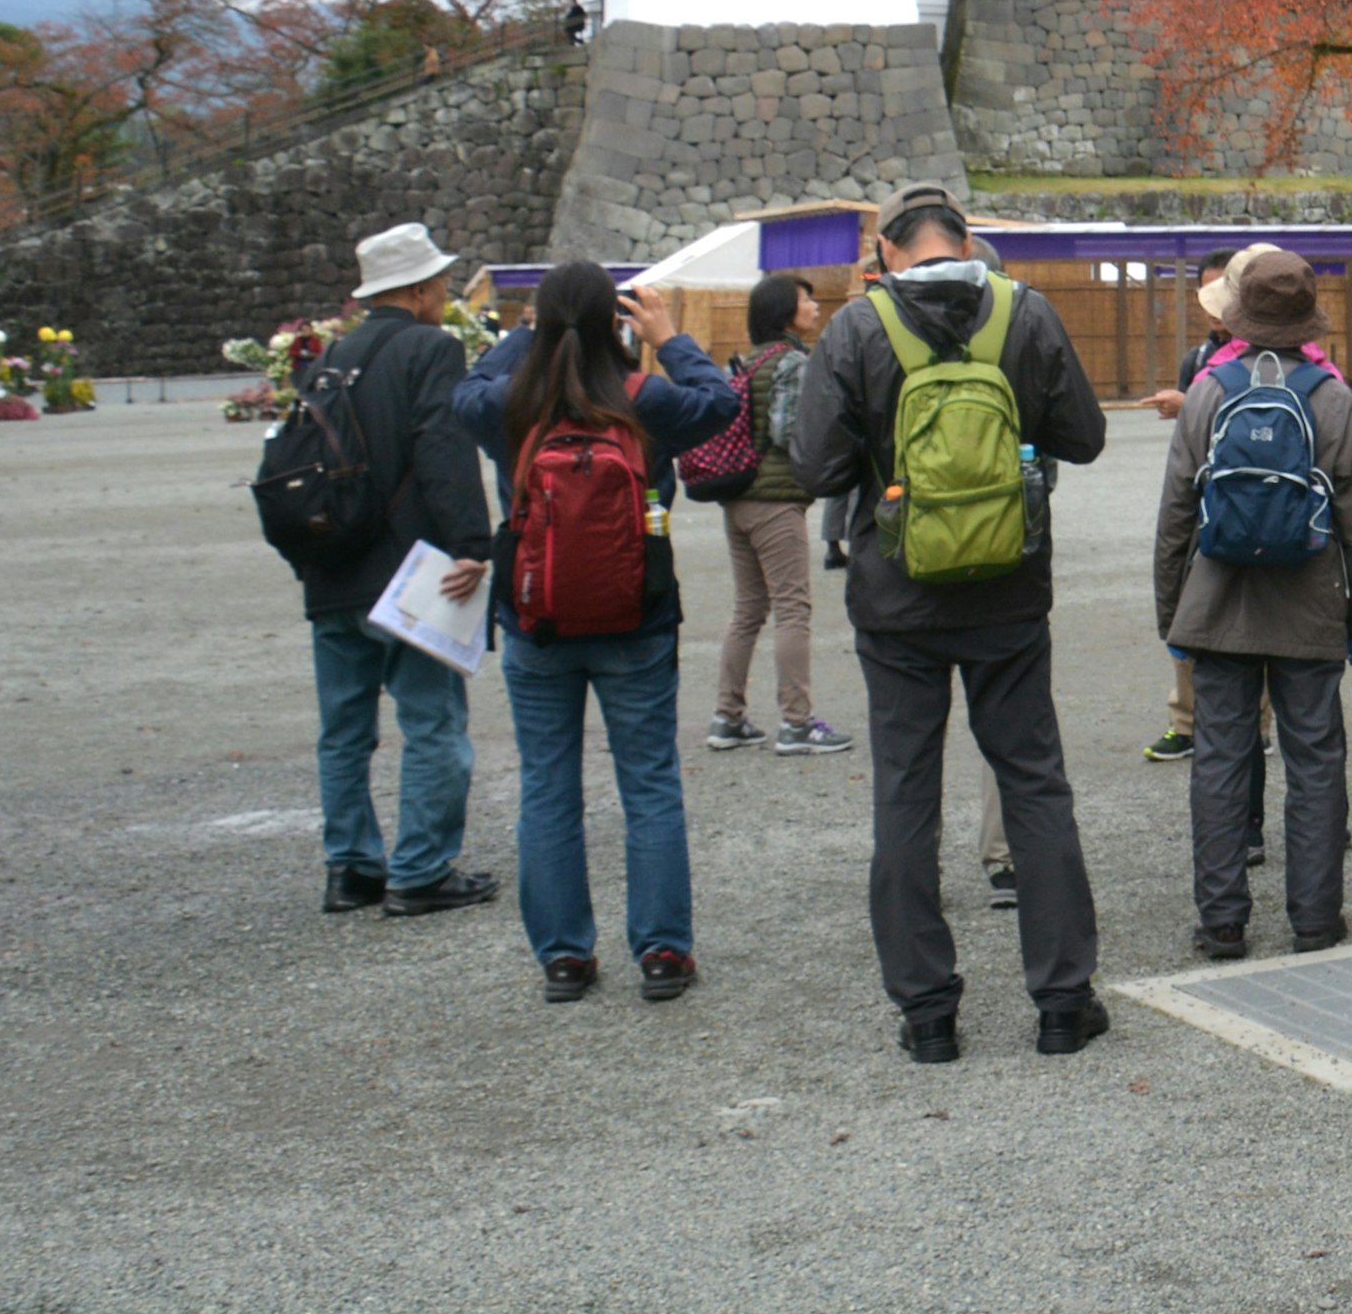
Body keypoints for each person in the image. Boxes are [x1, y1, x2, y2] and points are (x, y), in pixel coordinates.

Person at [795, 189, 1115, 1062]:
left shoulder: (857, 329)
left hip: (896, 597)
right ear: (968, 242)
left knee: (905, 789)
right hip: (1008, 590)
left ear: (888, 253)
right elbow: (1083, 437)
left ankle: (928, 1012)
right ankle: (1061, 1002)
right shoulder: (1025, 313)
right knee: (1033, 782)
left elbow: (819, 466)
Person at [455, 262, 742, 1002]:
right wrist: (670, 337)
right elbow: (718, 403)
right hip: (635, 612)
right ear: (616, 323)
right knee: (648, 782)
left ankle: (564, 957)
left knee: (547, 786)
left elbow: (461, 393)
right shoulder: (643, 400)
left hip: (534, 615)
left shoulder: (510, 404)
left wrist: (525, 336)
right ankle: (662, 952)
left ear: (542, 325)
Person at [1157, 248, 1352, 961]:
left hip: (1217, 609)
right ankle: (1315, 918)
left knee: (1220, 760)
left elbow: (1175, 515)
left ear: (1240, 316)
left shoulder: (1208, 390)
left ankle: (1221, 921)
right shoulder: (1332, 396)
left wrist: (1173, 617)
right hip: (1311, 605)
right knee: (1315, 761)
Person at [285, 222, 496, 919]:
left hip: (331, 566)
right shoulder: (428, 348)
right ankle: (421, 867)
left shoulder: (333, 355)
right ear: (419, 288)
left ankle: (351, 867)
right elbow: (443, 446)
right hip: (406, 571)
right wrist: (471, 541)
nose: (443, 292)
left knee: (344, 730)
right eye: (438, 281)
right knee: (431, 721)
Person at [707, 273, 847, 757]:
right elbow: (791, 432)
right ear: (787, 312)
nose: (813, 305)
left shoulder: (749, 362)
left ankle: (728, 717)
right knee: (792, 607)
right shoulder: (792, 363)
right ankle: (797, 722)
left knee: (748, 608)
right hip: (775, 502)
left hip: (738, 498)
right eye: (806, 299)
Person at [1143, 246, 1261, 762]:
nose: (1214, 308)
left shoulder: (1271, 355)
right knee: (1197, 611)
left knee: (1255, 623)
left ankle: (1253, 726)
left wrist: (1189, 403)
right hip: (1205, 506)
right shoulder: (1199, 358)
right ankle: (1187, 720)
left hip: (1255, 509)